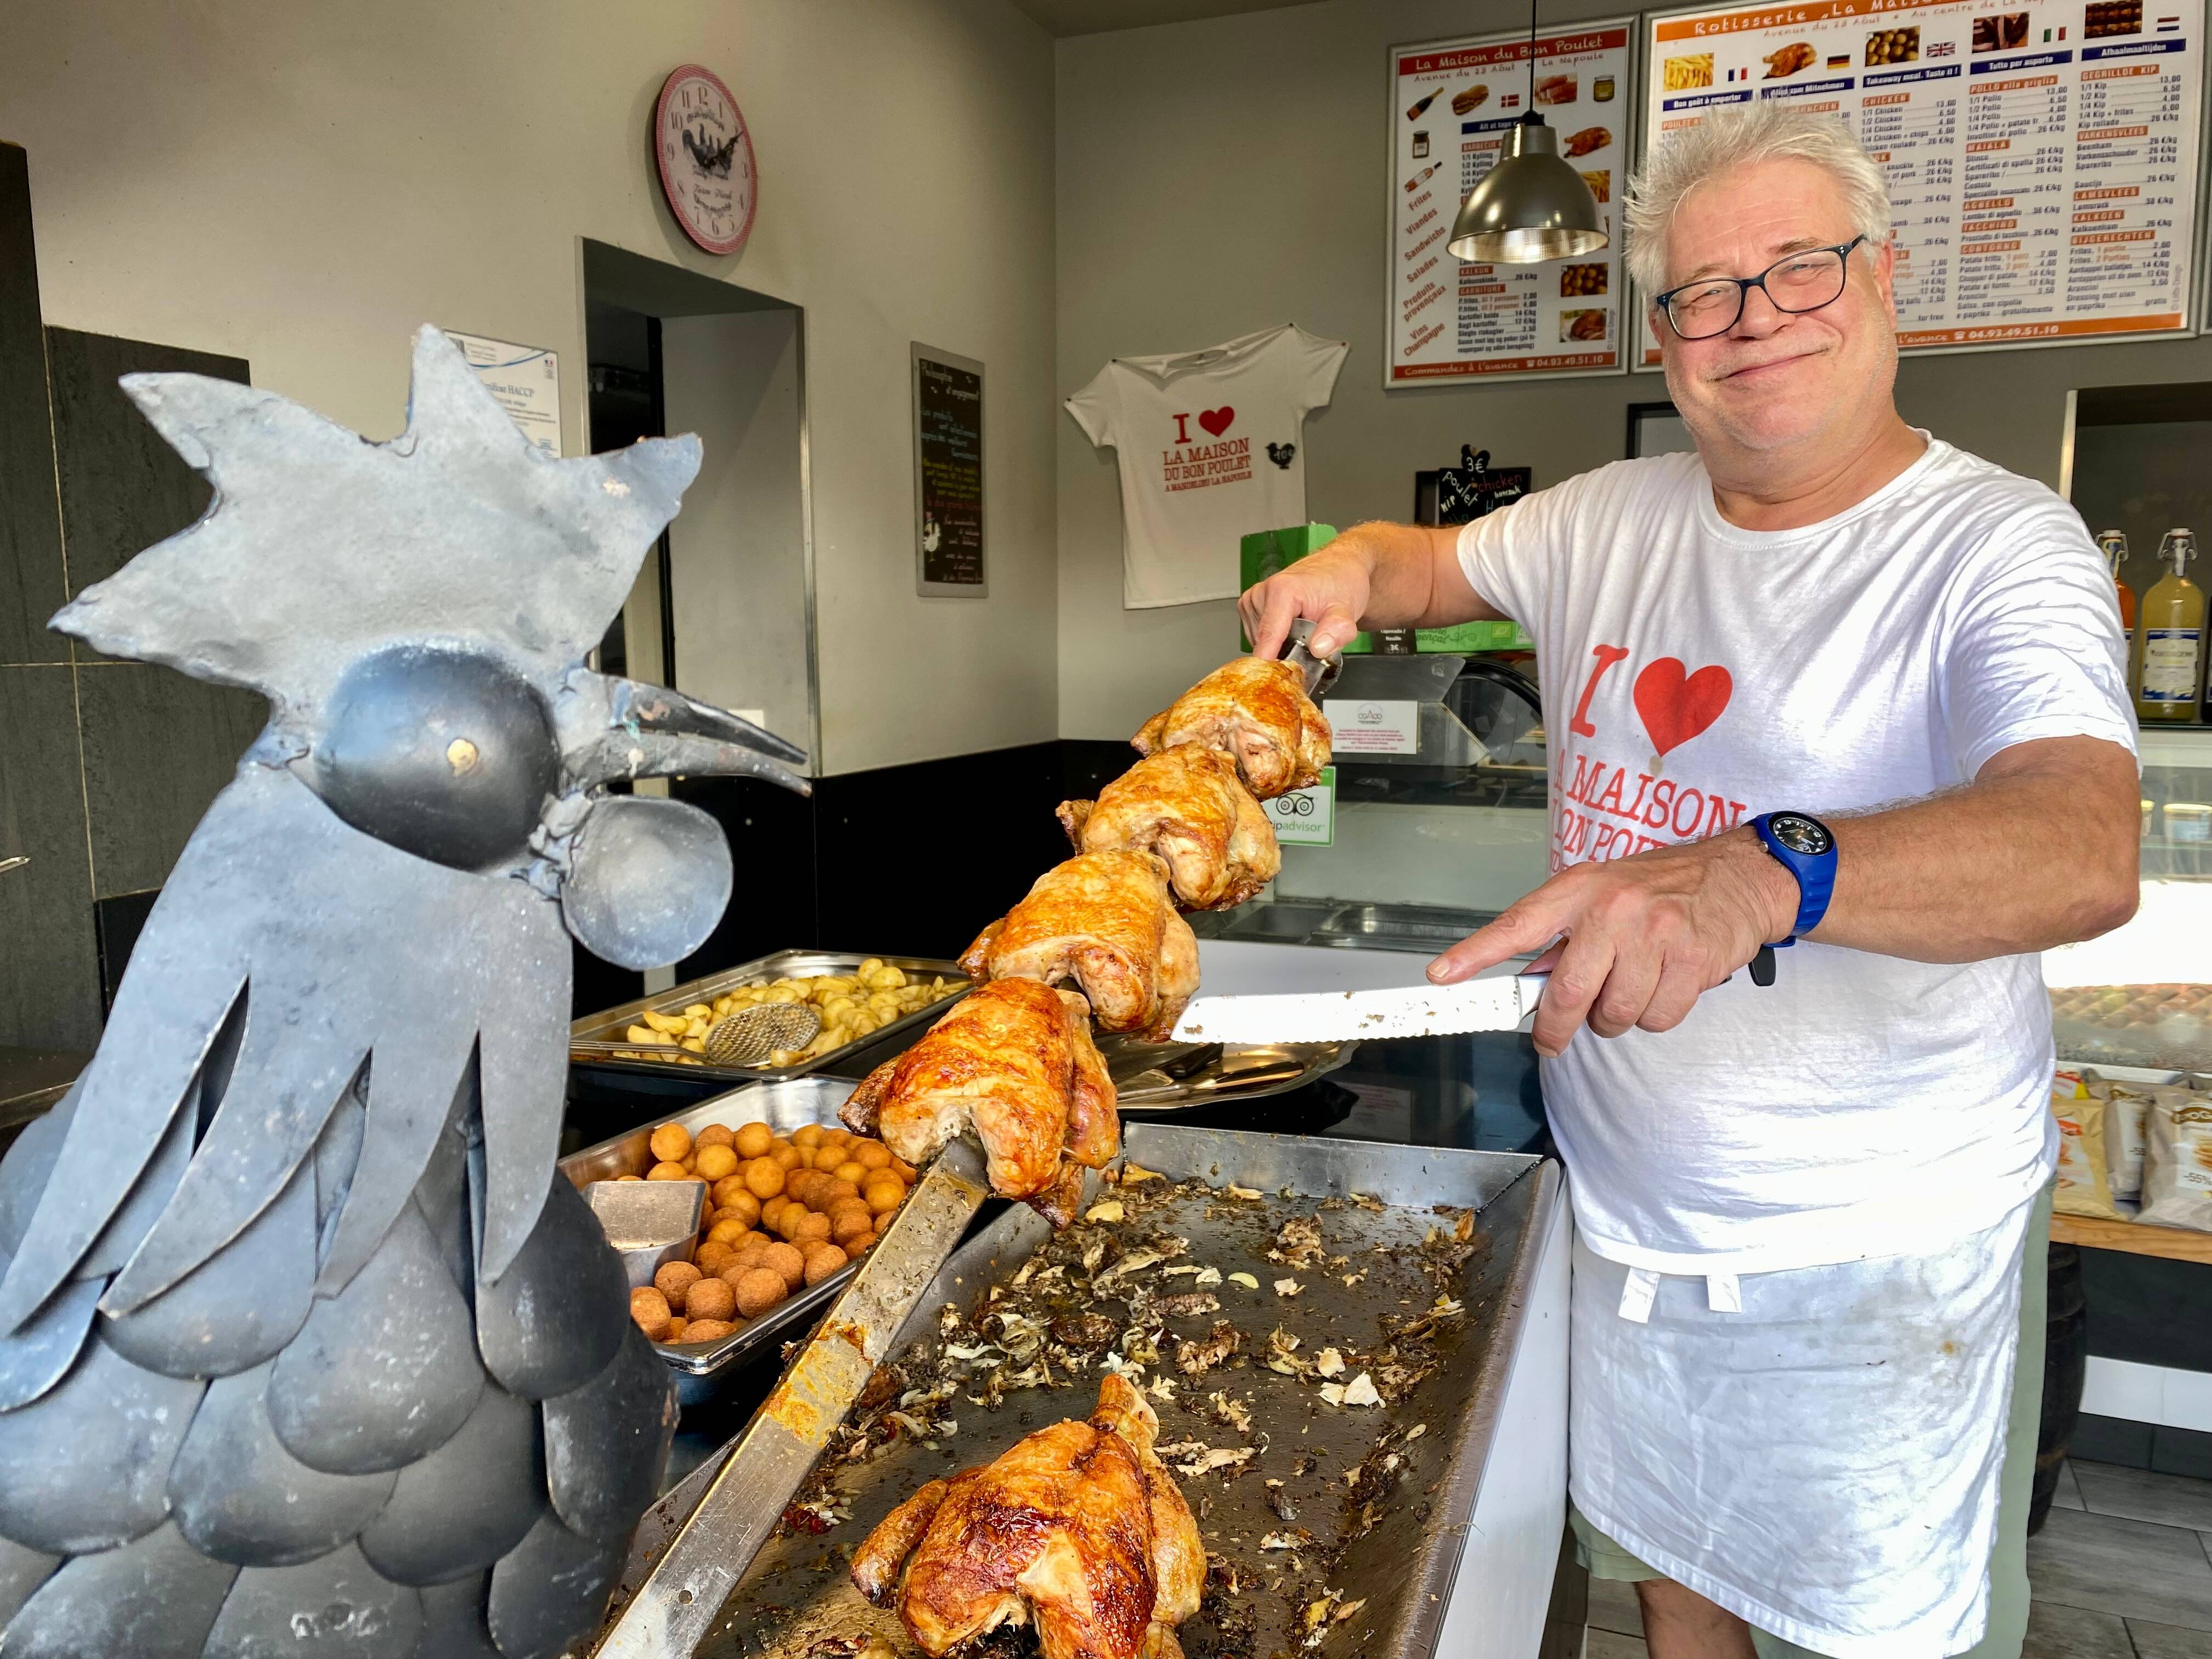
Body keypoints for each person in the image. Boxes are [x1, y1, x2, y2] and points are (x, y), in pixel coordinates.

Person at [1241, 105, 2138, 1659]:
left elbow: (2082, 840)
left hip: (1880, 1248)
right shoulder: (1607, 519)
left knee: (1886, 1635)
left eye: (1800, 270)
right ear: (1663, 334)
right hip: (1628, 1218)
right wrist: (1342, 574)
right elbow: (1412, 566)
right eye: (1704, 293)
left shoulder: (2002, 546)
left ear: (1888, 281)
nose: (1753, 322)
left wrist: (1757, 874)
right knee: (1668, 1584)